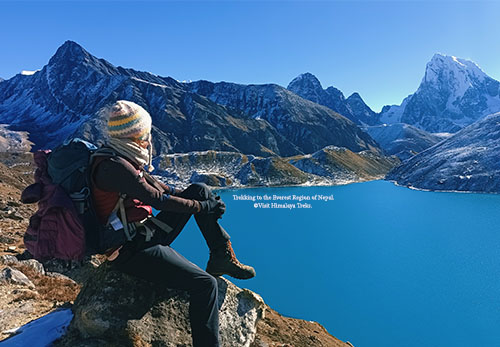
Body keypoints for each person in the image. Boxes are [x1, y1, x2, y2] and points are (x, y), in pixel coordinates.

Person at [91, 100, 255, 347]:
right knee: (205, 285)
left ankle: (220, 254)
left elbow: (164, 190)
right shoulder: (115, 167)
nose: (149, 138)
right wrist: (203, 208)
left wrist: (203, 200)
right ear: (137, 134)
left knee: (199, 189)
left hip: (141, 234)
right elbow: (157, 200)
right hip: (130, 251)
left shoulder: (121, 156)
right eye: (146, 133)